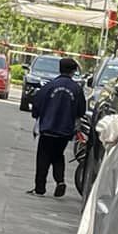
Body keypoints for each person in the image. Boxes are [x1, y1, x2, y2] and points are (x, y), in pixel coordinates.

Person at [30, 56, 85, 197]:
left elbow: (37, 104)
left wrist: (37, 116)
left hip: (47, 128)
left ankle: (40, 188)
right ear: (73, 71)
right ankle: (60, 181)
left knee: (43, 156)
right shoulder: (77, 89)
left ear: (60, 69)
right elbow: (81, 110)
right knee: (58, 155)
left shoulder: (49, 86)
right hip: (65, 130)